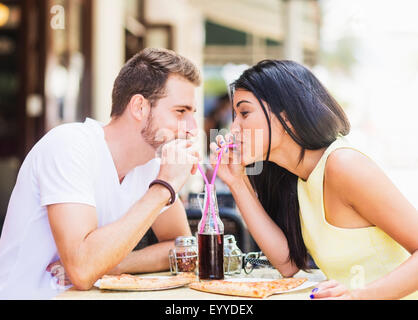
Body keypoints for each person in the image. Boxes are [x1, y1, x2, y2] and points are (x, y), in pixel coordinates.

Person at [0, 48, 201, 299]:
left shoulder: (152, 166)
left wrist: (116, 264)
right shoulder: (70, 145)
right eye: (181, 112)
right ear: (139, 107)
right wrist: (163, 188)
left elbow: (183, 250)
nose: (193, 129)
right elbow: (83, 271)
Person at [210, 59, 418, 300]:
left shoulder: (343, 165)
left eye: (244, 113)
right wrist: (236, 183)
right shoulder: (296, 177)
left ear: (286, 114)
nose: (233, 129)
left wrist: (356, 297)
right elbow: (287, 265)